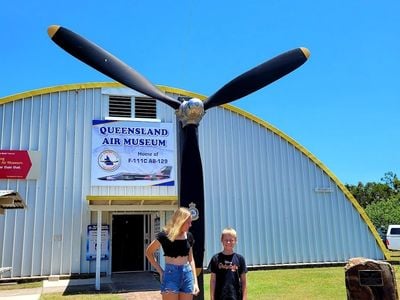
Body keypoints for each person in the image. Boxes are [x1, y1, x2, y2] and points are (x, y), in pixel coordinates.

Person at [146, 207, 200, 299]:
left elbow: (191, 260)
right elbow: (149, 252)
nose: (190, 225)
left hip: (187, 274)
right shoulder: (164, 235)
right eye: (188, 222)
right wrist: (160, 271)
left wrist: (195, 282)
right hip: (171, 274)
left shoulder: (189, 236)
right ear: (180, 221)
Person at [208, 227, 247, 300]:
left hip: (236, 296)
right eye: (226, 240)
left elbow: (244, 281)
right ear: (221, 240)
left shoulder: (240, 259)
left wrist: (244, 297)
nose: (228, 242)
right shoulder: (215, 258)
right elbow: (213, 280)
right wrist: (212, 297)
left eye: (231, 240)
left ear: (236, 241)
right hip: (219, 296)